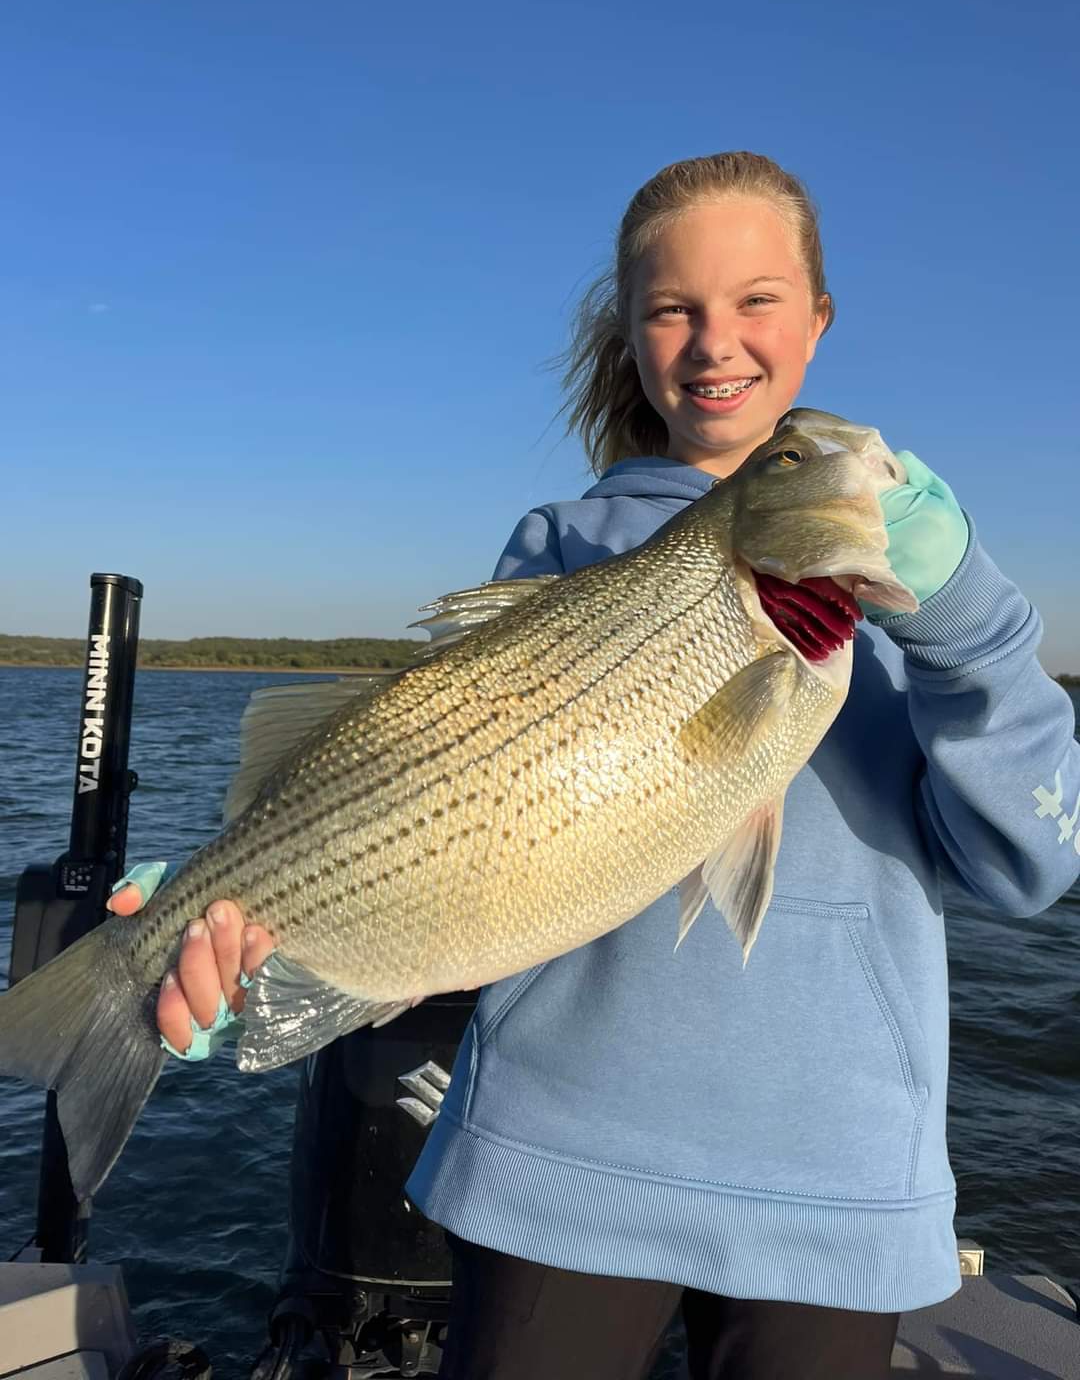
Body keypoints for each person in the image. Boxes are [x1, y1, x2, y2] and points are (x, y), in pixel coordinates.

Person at [111, 151, 1080, 1379]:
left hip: (835, 1188)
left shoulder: (918, 611)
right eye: (673, 307)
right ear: (630, 333)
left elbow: (1030, 863)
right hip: (550, 1168)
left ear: (821, 316)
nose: (716, 340)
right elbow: (461, 834)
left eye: (759, 299)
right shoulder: (560, 552)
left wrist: (970, 618)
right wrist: (260, 932)